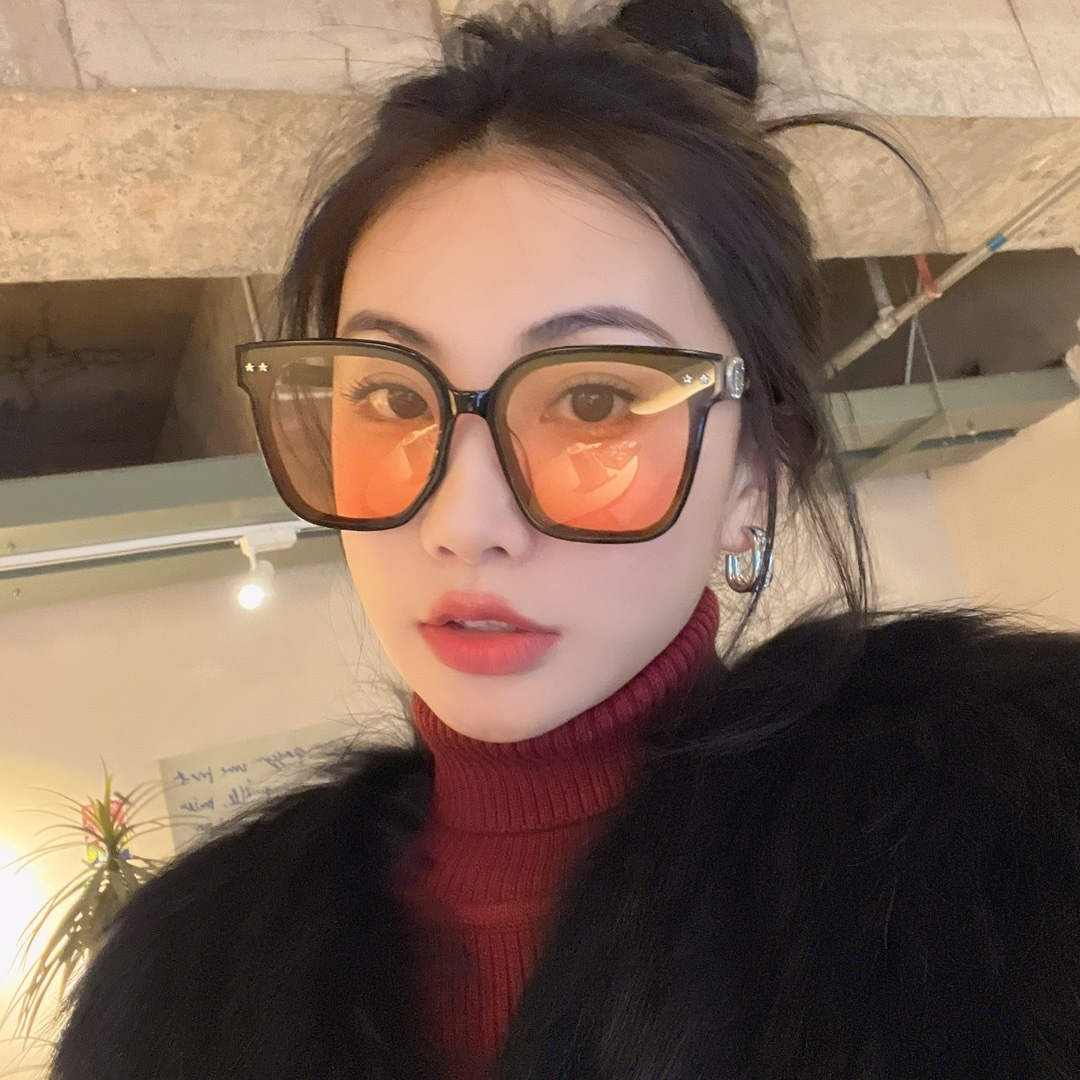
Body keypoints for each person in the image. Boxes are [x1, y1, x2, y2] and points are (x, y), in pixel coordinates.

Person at [52, 1, 1080, 1078]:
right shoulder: (185, 993)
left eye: (593, 400)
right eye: (391, 399)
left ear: (754, 473)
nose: (463, 522)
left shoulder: (1018, 872)